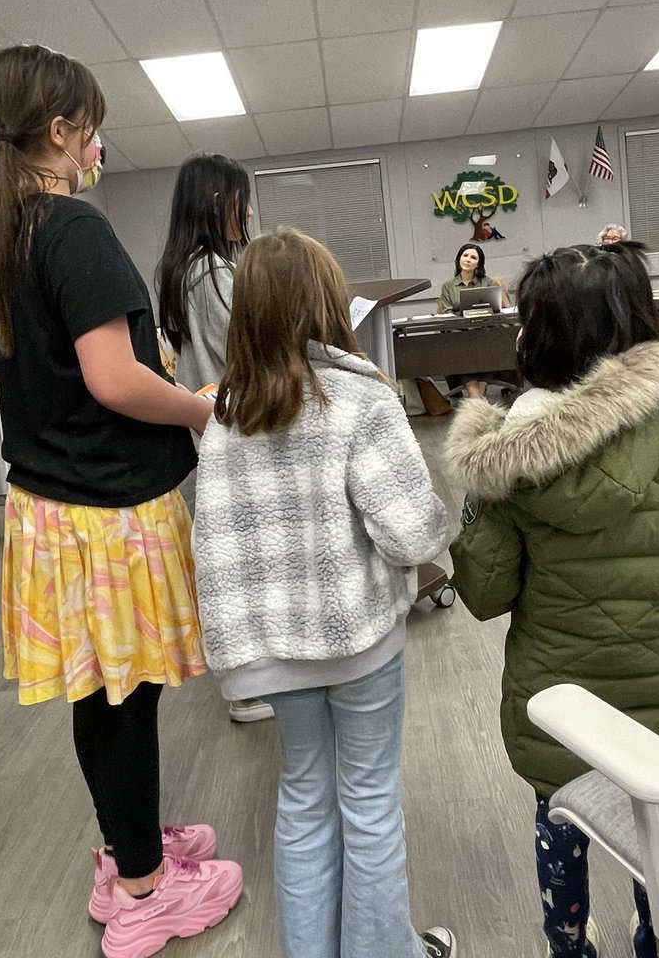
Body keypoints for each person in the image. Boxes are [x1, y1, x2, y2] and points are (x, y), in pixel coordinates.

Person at [0, 45, 242, 958]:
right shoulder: (72, 227)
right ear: (62, 132)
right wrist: (201, 409)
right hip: (106, 512)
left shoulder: (0, 230)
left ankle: (131, 847)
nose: (98, 142)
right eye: (92, 125)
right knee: (125, 697)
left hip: (52, 506)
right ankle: (147, 889)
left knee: (108, 693)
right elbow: (116, 379)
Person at [444, 241, 659, 958]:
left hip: (558, 721)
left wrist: (477, 502)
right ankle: (656, 939)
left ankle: (568, 944)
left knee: (561, 826)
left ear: (543, 340)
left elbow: (485, 592)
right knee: (657, 834)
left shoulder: (512, 466)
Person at [192, 227, 458, 958]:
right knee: (368, 803)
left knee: (303, 799)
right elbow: (410, 537)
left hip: (271, 652)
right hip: (359, 644)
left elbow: (214, 545)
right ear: (327, 303)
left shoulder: (223, 415)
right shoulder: (361, 399)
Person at [156, 151, 273, 725]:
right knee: (247, 563)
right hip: (236, 431)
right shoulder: (216, 273)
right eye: (239, 198)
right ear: (218, 203)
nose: (246, 210)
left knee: (232, 559)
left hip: (215, 432)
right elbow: (249, 351)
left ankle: (247, 682)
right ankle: (247, 688)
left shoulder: (185, 267)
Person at [438, 242, 513, 399]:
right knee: (466, 348)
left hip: (485, 331)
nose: (468, 260)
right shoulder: (448, 286)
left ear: (478, 263)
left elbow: (498, 308)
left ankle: (476, 398)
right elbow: (446, 312)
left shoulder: (488, 282)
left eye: (473, 257)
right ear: (459, 259)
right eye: (465, 256)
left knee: (485, 344)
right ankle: (477, 396)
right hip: (461, 333)